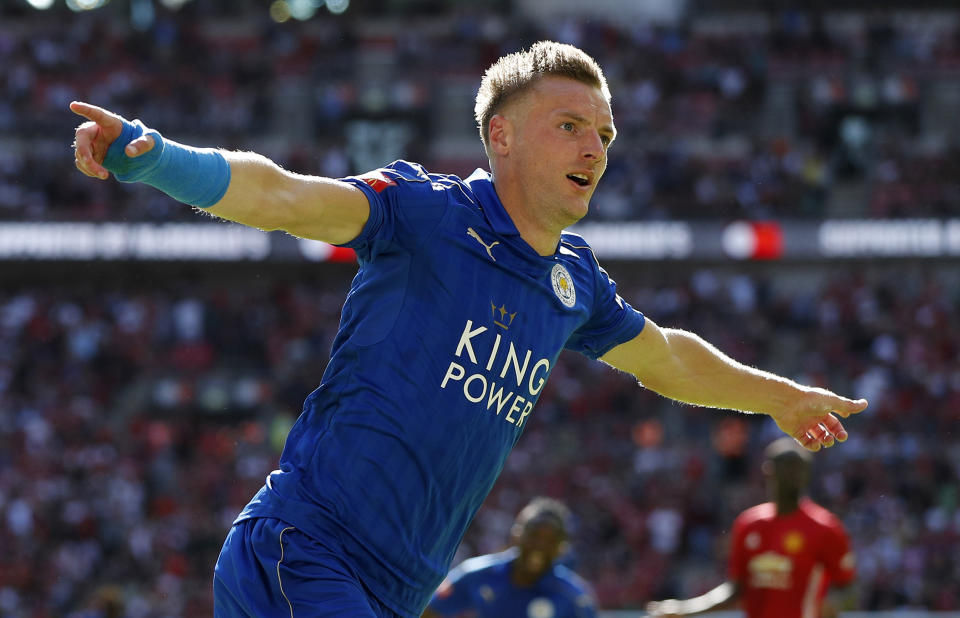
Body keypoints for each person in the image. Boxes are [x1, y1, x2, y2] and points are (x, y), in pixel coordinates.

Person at [70, 40, 867, 618]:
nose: (595, 146)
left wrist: (779, 397)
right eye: (569, 125)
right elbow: (284, 197)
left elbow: (665, 359)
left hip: (396, 592)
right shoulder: (427, 213)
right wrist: (154, 157)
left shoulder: (573, 282)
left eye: (606, 134)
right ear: (503, 136)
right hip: (303, 553)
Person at [646, 437, 857, 618]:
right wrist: (684, 609)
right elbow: (736, 589)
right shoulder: (749, 524)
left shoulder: (825, 527)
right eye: (788, 469)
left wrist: (833, 605)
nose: (795, 477)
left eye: (800, 470)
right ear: (769, 471)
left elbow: (847, 587)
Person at [422, 497, 597, 618]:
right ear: (516, 535)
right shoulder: (477, 573)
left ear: (561, 547)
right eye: (534, 535)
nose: (540, 546)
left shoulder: (574, 598)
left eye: (551, 540)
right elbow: (427, 611)